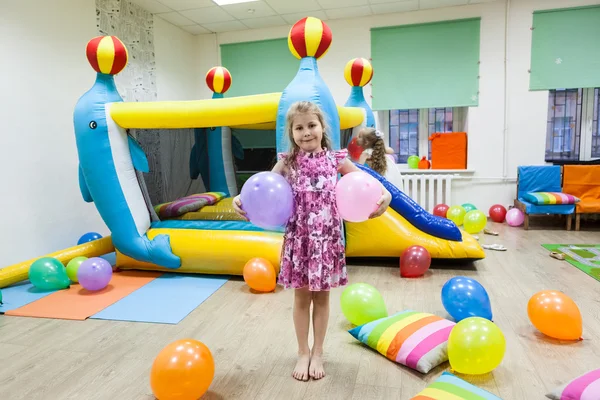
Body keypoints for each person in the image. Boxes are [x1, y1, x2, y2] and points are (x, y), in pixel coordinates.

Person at [232, 101, 391, 381]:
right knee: (302, 297)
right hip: (300, 239)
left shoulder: (336, 159)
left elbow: (368, 183)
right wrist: (240, 200)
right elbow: (263, 192)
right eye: (299, 127)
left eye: (312, 125)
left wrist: (386, 196)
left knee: (323, 298)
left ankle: (318, 351)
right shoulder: (287, 162)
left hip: (327, 240)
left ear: (322, 127)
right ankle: (302, 352)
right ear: (291, 132)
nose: (306, 132)